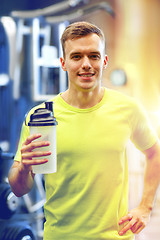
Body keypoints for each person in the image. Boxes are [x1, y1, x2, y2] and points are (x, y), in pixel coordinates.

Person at [8, 21, 160, 240]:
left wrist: (146, 207)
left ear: (104, 61)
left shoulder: (128, 108)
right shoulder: (39, 116)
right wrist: (24, 167)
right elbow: (19, 189)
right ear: (63, 63)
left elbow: (155, 153)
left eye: (94, 56)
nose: (86, 64)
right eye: (77, 56)